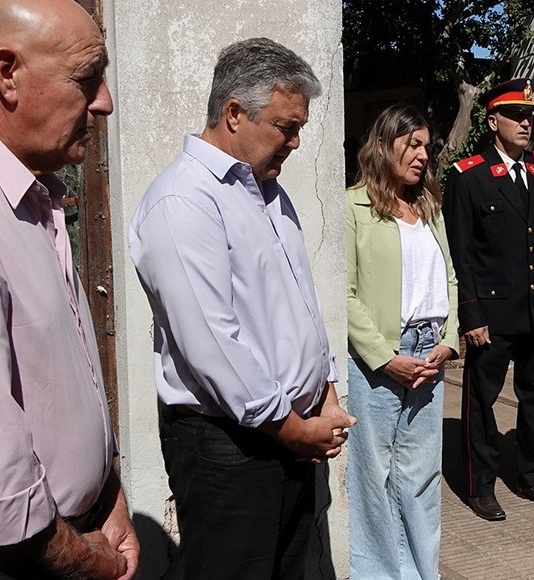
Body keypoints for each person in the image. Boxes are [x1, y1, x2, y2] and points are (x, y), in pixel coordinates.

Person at [0, 0, 138, 577]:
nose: (105, 101)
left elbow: (57, 378)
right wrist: (82, 560)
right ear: (7, 74)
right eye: (87, 78)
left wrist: (106, 495)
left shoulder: (28, 192)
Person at [129, 38, 356, 579]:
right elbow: (212, 343)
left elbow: (299, 305)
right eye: (285, 127)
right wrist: (291, 427)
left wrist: (324, 391)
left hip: (289, 432)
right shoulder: (183, 200)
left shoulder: (269, 193)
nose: (296, 142)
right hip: (231, 447)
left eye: (299, 128)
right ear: (234, 113)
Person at [443, 78, 534, 521]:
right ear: (492, 121)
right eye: (515, 115)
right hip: (493, 315)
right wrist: (470, 314)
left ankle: (533, 477)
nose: (525, 123)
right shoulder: (469, 176)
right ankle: (480, 485)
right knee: (481, 403)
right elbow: (460, 255)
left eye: (529, 116)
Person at [346, 105, 459, 579]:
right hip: (377, 359)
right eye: (412, 144)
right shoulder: (353, 207)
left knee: (421, 475)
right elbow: (345, 294)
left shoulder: (429, 208)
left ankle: (422, 572)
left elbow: (450, 277)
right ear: (382, 145)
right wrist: (384, 358)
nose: (422, 155)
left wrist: (449, 341)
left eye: (426, 146)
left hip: (430, 352)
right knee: (372, 477)